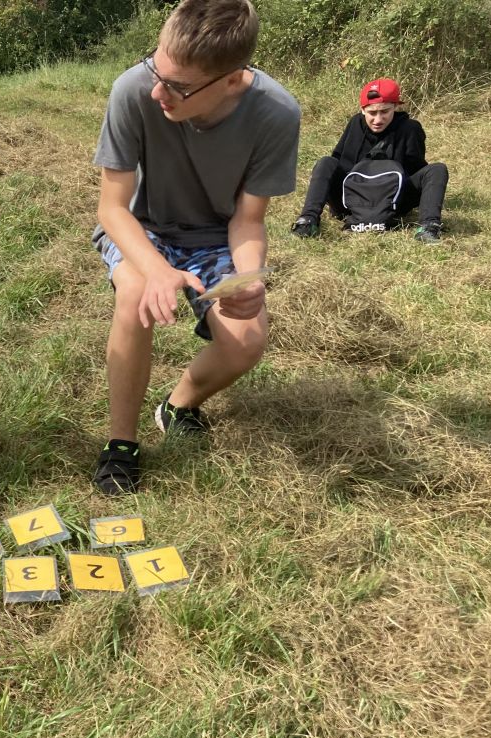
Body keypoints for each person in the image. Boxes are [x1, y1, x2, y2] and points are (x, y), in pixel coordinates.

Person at [90, 0, 300, 495]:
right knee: (135, 293)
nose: (157, 91)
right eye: (155, 69)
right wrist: (157, 270)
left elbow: (248, 220)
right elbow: (112, 210)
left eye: (178, 86)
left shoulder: (276, 113)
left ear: (232, 79)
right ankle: (121, 442)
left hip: (214, 235)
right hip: (142, 227)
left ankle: (178, 405)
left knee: (247, 340)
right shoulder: (133, 89)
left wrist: (247, 279)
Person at [291, 77, 448, 243]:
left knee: (437, 169)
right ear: (362, 110)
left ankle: (429, 226)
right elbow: (337, 162)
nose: (378, 120)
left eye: (385, 112)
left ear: (396, 107)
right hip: (351, 202)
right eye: (372, 113)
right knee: (326, 162)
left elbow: (416, 170)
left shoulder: (410, 129)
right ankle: (307, 221)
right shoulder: (355, 124)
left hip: (393, 202)